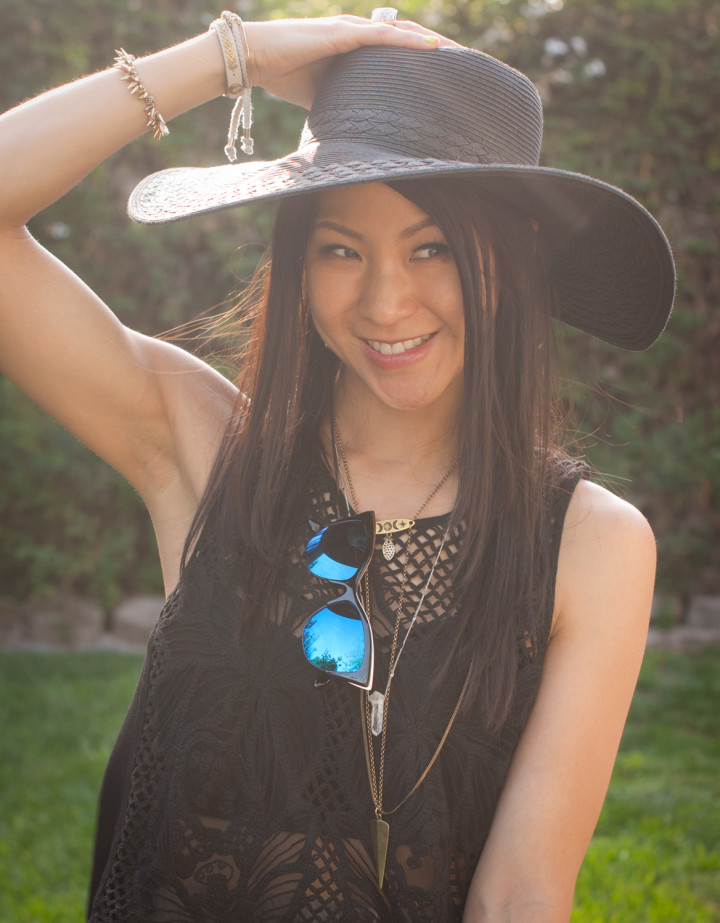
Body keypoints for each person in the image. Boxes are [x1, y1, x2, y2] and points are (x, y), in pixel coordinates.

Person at [0, 9, 675, 922]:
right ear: (298, 262)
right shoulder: (206, 447)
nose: (385, 302)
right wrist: (227, 57)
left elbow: (518, 895)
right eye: (341, 249)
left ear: (513, 261)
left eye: (431, 246)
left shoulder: (592, 544)